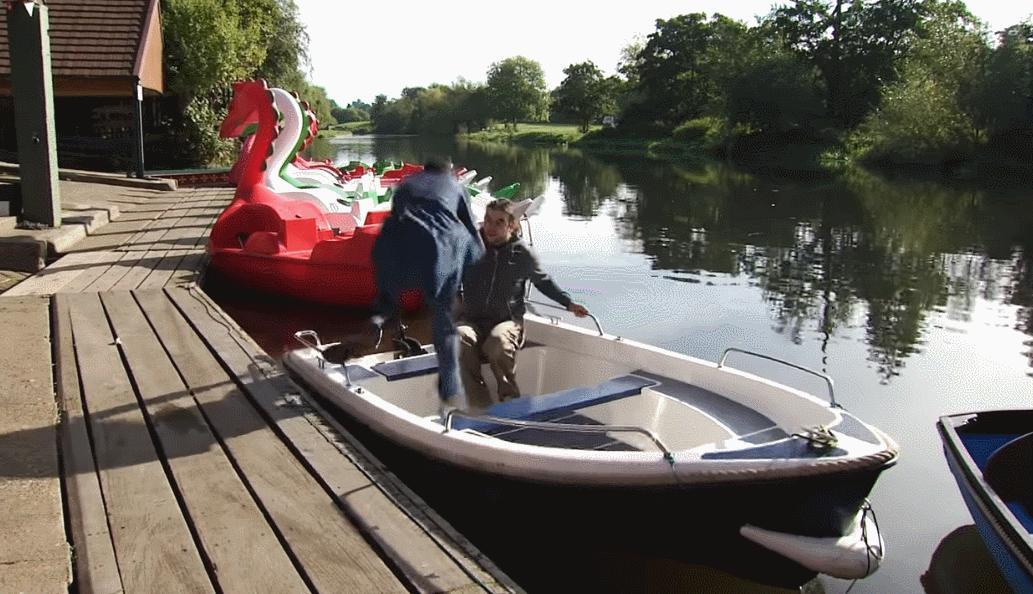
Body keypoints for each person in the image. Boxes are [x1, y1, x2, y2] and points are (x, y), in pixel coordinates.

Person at [370, 157, 484, 407]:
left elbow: (398, 219)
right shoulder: (455, 187)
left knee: (390, 271)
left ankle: (384, 315)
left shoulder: (407, 184)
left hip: (412, 251)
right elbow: (470, 227)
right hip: (445, 250)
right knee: (443, 316)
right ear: (448, 170)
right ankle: (450, 388)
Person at [458, 199, 589, 407]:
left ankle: (510, 402)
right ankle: (479, 405)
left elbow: (543, 282)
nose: (490, 227)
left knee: (497, 343)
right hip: (472, 321)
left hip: (508, 321)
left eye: (499, 222)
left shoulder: (522, 253)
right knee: (458, 337)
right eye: (488, 220)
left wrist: (569, 304)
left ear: (512, 225)